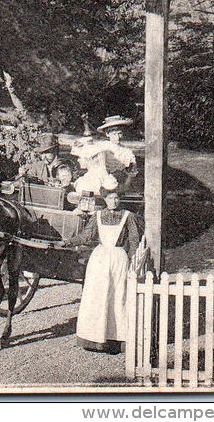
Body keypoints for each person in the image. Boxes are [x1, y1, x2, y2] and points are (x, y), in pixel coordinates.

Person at [65, 190, 144, 353]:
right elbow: (87, 235)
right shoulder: (98, 216)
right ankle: (93, 338)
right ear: (105, 199)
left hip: (118, 258)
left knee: (117, 296)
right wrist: (69, 242)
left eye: (116, 198)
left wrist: (132, 262)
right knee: (97, 296)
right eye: (110, 198)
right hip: (99, 260)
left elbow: (134, 240)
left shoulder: (127, 216)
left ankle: (115, 339)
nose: (113, 201)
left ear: (120, 199)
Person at [71, 115, 136, 212]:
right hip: (97, 179)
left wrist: (123, 186)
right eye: (114, 134)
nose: (117, 137)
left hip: (116, 185)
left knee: (110, 187)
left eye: (119, 133)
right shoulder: (102, 146)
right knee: (87, 187)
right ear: (107, 134)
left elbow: (131, 174)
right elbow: (85, 151)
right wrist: (82, 144)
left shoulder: (127, 152)